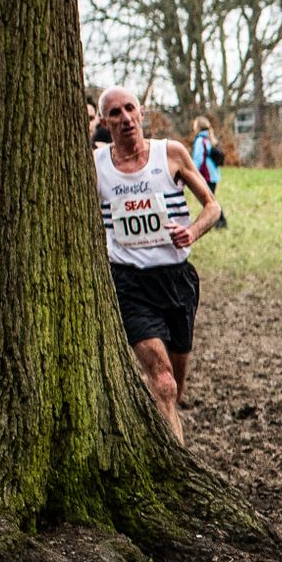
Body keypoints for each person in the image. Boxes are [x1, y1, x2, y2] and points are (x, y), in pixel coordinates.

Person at [94, 85, 220, 443]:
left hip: (177, 280)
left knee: (174, 385)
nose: (125, 118)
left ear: (141, 112)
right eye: (115, 113)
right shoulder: (96, 166)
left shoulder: (171, 154)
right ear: (104, 122)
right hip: (129, 282)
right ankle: (178, 458)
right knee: (162, 380)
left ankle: (158, 431)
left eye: (129, 108)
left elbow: (212, 207)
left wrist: (191, 232)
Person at [191, 116, 229, 231]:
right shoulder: (209, 138)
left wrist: (192, 173)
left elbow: (198, 159)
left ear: (198, 127)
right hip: (213, 175)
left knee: (209, 201)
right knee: (210, 199)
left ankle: (220, 222)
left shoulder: (200, 140)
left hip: (206, 176)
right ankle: (219, 222)